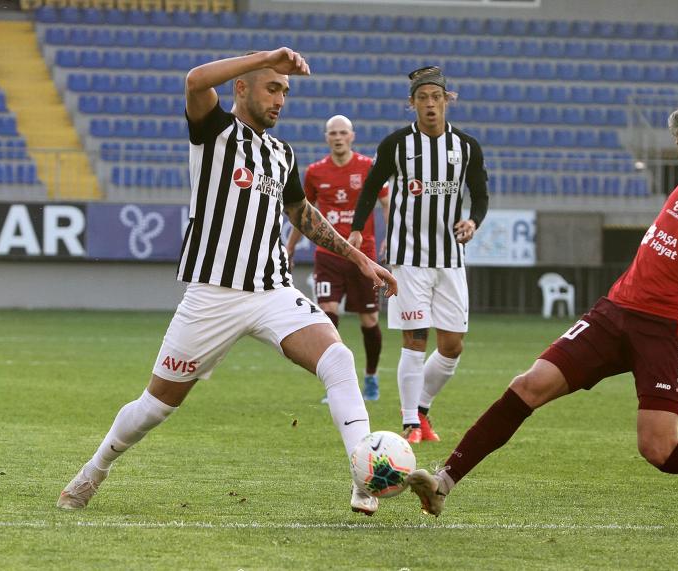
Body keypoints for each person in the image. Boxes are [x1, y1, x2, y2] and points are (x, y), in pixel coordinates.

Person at [407, 97, 678, 529]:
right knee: (528, 385)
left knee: (658, 448)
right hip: (615, 310)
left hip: (667, 328)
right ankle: (443, 483)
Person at [56, 48, 397, 516]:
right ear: (242, 87)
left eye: (285, 91)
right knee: (155, 408)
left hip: (273, 291)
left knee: (338, 359)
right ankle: (94, 470)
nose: (280, 100)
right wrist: (267, 56)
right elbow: (195, 80)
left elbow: (301, 213)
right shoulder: (214, 132)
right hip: (213, 296)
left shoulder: (282, 154)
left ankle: (365, 476)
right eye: (272, 88)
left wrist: (359, 259)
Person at [350, 66, 489, 444]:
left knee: (452, 345)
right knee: (415, 339)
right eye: (423, 98)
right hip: (408, 258)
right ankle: (410, 422)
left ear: (447, 101)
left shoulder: (466, 147)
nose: (430, 104)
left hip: (450, 258)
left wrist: (473, 222)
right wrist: (358, 227)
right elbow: (371, 186)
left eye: (437, 97)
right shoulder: (396, 145)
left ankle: (421, 408)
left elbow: (480, 194)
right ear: (411, 103)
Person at [286, 115, 390, 403]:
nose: (338, 137)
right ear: (326, 138)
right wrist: (290, 248)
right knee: (327, 314)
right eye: (333, 133)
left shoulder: (368, 167)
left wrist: (390, 235)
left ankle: (371, 377)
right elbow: (302, 214)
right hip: (328, 256)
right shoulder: (315, 172)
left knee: (369, 319)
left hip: (363, 255)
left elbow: (386, 202)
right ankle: (337, 383)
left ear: (352, 136)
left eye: (343, 133)